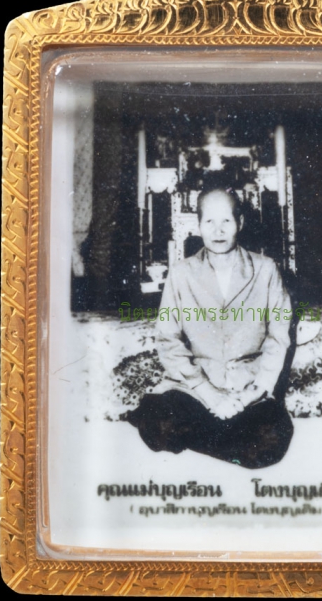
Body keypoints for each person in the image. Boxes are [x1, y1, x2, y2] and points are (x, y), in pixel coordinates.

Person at [125, 187, 293, 468]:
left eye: (226, 220)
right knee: (159, 423)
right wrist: (211, 396)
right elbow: (168, 339)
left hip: (246, 390)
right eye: (209, 221)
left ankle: (210, 434)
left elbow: (278, 338)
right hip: (196, 389)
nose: (218, 230)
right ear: (198, 225)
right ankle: (229, 438)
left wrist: (251, 394)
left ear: (240, 222)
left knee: (273, 438)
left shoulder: (266, 269)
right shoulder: (181, 273)